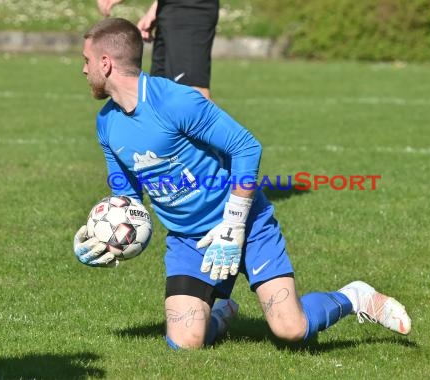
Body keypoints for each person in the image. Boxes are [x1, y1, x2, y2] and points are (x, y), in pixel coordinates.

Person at [74, 18, 412, 349]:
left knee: (290, 329)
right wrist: (105, 235)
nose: (84, 70)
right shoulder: (107, 123)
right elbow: (127, 196)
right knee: (185, 343)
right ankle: (220, 314)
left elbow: (246, 146)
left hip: (245, 224)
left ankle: (355, 297)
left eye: (86, 61)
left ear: (106, 63)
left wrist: (234, 225)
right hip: (189, 240)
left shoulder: (175, 101)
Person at [96, 0, 219, 100]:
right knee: (160, 93)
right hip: (168, 8)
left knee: (192, 94)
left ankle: (228, 132)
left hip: (190, 9)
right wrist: (157, 6)